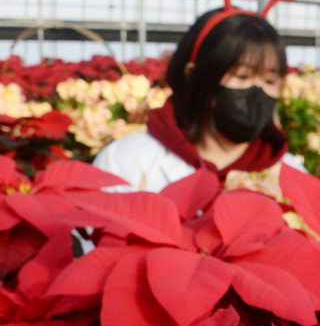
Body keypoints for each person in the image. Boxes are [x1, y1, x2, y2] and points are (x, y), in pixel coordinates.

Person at [94, 10, 303, 191]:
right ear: (196, 76)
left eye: (269, 80)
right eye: (242, 76)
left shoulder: (294, 177)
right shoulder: (124, 162)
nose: (257, 91)